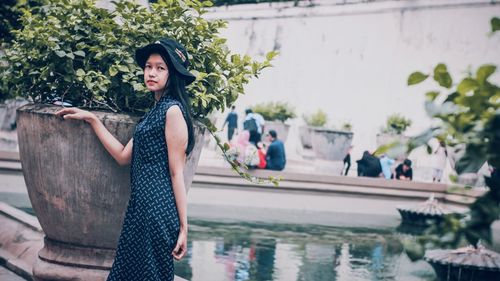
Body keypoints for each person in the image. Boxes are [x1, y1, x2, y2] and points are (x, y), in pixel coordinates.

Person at [55, 38, 194, 281]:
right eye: (148, 66)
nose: (151, 73)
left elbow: (176, 173)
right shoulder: (154, 113)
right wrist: (93, 120)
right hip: (139, 209)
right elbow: (122, 157)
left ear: (173, 74)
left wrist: (184, 227)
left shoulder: (172, 111)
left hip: (156, 212)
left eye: (160, 68)